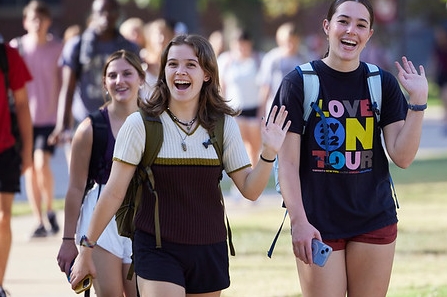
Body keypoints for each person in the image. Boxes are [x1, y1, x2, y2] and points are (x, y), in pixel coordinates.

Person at [68, 34, 290, 296]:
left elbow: (251, 190)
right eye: (172, 64)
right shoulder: (139, 125)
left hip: (209, 248)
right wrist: (86, 249)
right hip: (156, 249)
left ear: (206, 74)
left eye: (190, 65)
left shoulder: (223, 125)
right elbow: (114, 192)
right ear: (163, 72)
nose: (180, 72)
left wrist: (268, 152)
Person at [271, 0, 428, 297]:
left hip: (374, 217)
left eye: (360, 25)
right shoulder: (299, 83)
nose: (350, 31)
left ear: (369, 34)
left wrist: (418, 103)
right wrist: (298, 222)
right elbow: (286, 164)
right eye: (343, 21)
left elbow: (402, 156)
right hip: (317, 222)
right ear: (327, 26)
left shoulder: (381, 83)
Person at [57, 50, 142, 297]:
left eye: (127, 73)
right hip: (101, 224)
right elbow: (75, 188)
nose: (120, 81)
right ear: (104, 83)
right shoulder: (90, 128)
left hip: (143, 219)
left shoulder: (155, 122)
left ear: (141, 78)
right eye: (112, 76)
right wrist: (66, 240)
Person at [48, 0, 140, 147]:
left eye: (111, 11)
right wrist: (61, 126)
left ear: (118, 15)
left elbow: (138, 87)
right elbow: (67, 89)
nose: (106, 15)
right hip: (84, 120)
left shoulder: (129, 47)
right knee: (82, 169)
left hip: (120, 121)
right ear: (93, 15)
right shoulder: (77, 45)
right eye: (101, 11)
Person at [9, 0, 63, 238]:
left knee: (41, 163)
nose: (38, 23)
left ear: (48, 21)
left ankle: (50, 208)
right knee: (29, 168)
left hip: (49, 117)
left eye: (41, 19)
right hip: (24, 118)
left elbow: (64, 84)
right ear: (25, 22)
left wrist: (65, 117)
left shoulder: (57, 48)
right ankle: (39, 219)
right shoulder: (17, 47)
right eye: (33, 19)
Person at [0, 38, 33, 297]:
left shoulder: (6, 55)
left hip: (5, 148)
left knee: (3, 218)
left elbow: (22, 104)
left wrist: (28, 150)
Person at [218, 29, 263, 167]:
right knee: (239, 147)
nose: (241, 47)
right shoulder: (226, 60)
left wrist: (262, 111)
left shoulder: (258, 59)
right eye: (238, 44)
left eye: (244, 44)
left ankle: (253, 179)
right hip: (235, 109)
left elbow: (264, 87)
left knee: (254, 148)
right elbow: (221, 85)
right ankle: (239, 180)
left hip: (254, 108)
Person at [257, 21, 309, 115]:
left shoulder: (305, 58)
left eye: (294, 41)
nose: (291, 45)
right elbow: (265, 86)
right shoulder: (272, 59)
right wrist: (261, 112)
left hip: (299, 108)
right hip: (276, 108)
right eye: (288, 41)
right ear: (280, 41)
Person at [139, 18, 175, 100]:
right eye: (158, 34)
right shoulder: (141, 58)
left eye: (165, 34)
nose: (161, 39)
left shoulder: (174, 62)